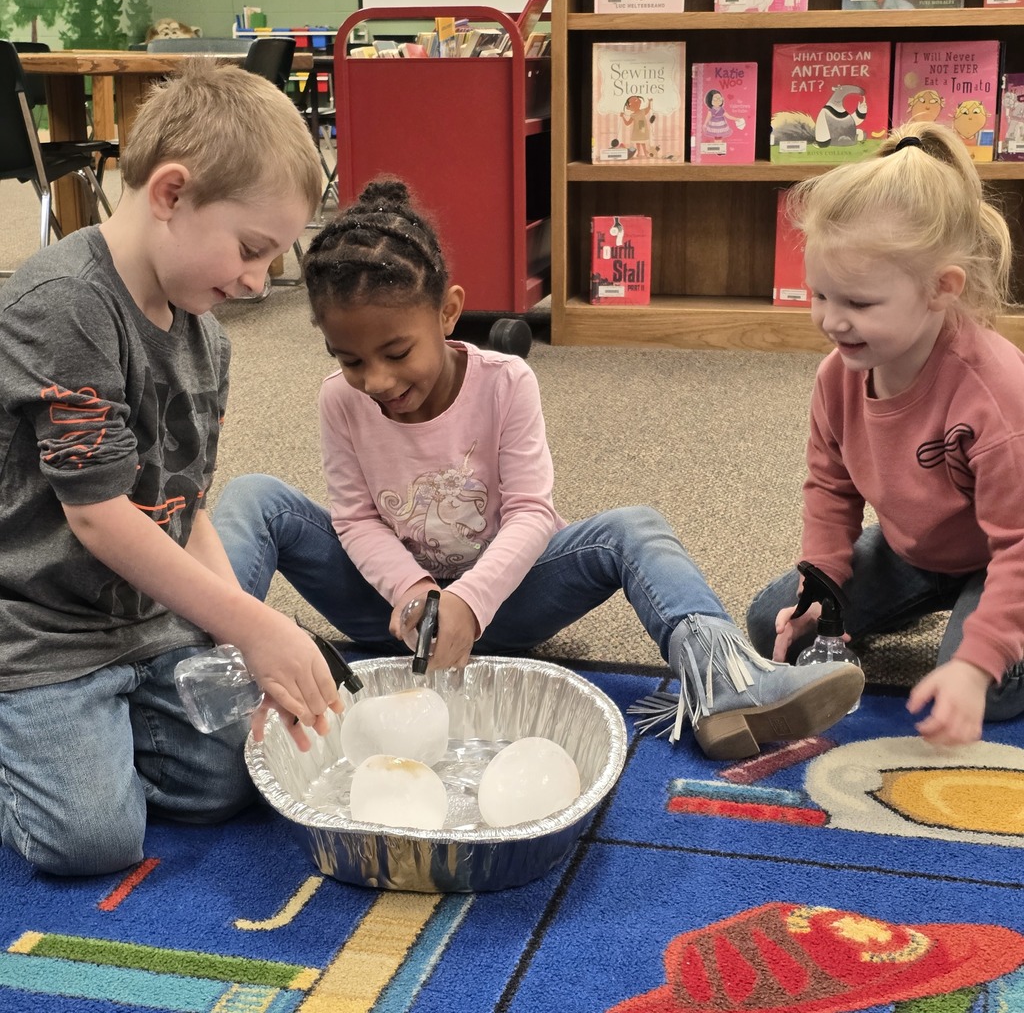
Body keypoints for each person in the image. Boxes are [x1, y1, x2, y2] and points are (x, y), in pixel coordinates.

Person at [212, 177, 863, 765]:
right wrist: (413, 591)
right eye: (350, 360)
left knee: (632, 529)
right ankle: (200, 677)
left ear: (447, 312)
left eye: (396, 352)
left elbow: (531, 512)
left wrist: (468, 599)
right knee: (254, 496)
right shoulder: (340, 399)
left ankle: (726, 684)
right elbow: (352, 517)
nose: (375, 380)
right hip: (388, 611)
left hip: (504, 601)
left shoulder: (505, 383)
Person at [0, 60, 340, 876]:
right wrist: (256, 627)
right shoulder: (65, 304)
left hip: (139, 625)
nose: (260, 281)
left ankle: (86, 739)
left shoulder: (204, 335)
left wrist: (229, 636)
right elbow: (98, 513)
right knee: (91, 841)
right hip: (37, 630)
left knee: (237, 776)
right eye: (252, 250)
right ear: (171, 193)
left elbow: (184, 512)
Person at [746, 121, 1024, 749]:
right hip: (915, 550)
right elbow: (830, 487)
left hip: (1004, 556)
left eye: (860, 304)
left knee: (992, 689)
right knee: (775, 625)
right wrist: (822, 581)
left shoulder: (996, 393)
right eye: (820, 294)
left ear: (940, 290)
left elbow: (1019, 545)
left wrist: (975, 665)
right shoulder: (838, 377)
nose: (831, 320)